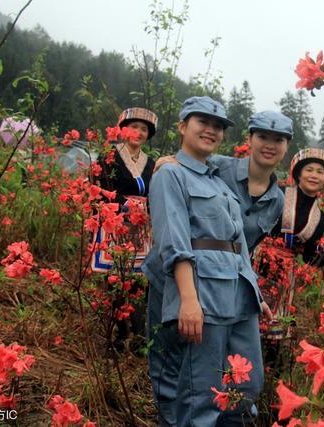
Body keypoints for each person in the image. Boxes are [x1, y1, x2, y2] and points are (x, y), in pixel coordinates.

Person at [142, 96, 272, 426]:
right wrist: (188, 299)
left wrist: (256, 292)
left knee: (246, 387)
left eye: (218, 127)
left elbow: (238, 242)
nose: (211, 130)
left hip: (238, 295)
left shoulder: (218, 179)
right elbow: (173, 241)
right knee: (202, 392)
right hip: (202, 293)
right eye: (203, 122)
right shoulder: (170, 174)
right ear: (183, 127)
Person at [154, 110, 291, 253]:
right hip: (187, 261)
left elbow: (249, 248)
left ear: (287, 146)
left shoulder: (277, 201)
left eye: (278, 140)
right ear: (249, 139)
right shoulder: (216, 167)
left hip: (232, 271)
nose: (270, 145)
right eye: (262, 137)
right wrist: (172, 161)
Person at [255, 148, 324, 340]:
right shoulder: (278, 194)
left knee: (273, 330)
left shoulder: (320, 218)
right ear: (298, 173)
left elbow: (310, 258)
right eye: (309, 170)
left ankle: (269, 368)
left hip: (286, 274)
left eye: (319, 172)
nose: (314, 175)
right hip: (257, 262)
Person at [96, 107, 158, 353]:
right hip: (115, 225)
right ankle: (119, 336)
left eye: (144, 129)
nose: (138, 133)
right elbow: (99, 190)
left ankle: (139, 336)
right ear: (123, 129)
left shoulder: (151, 163)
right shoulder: (108, 157)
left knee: (138, 281)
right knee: (115, 279)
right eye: (134, 127)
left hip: (142, 230)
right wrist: (124, 206)